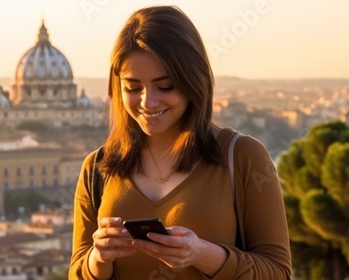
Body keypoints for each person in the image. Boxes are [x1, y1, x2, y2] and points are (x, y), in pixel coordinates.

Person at [69, 5, 291, 280]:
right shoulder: (96, 169)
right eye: (133, 88)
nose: (148, 102)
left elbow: (278, 273)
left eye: (165, 86)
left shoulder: (243, 156)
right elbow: (77, 272)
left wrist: (203, 254)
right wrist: (97, 259)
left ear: (193, 81)